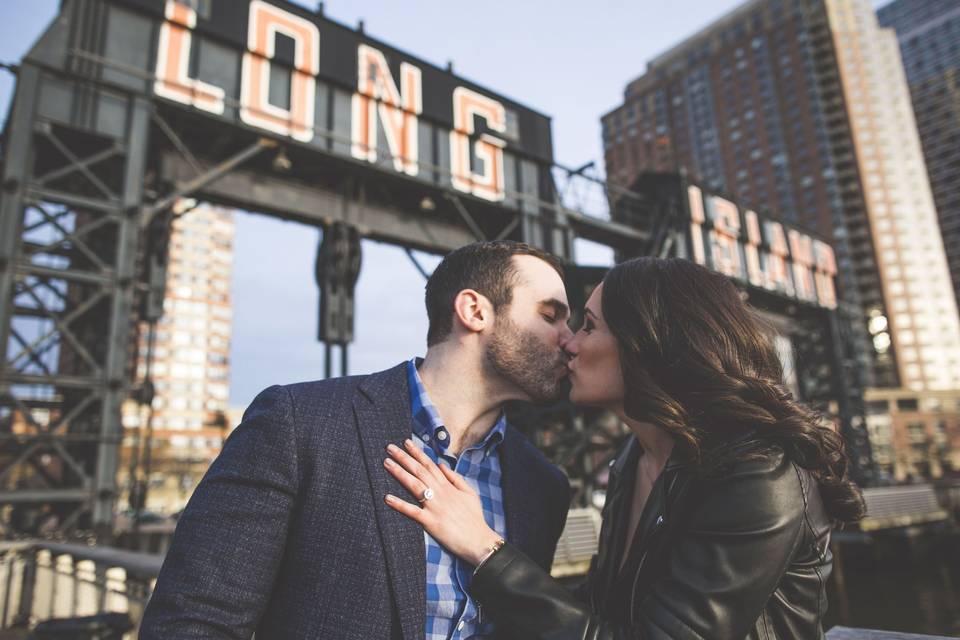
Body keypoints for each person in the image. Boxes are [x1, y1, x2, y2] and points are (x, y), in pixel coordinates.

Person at [383, 256, 866, 639]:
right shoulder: (634, 461)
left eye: (588, 325)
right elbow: (601, 609)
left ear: (647, 343)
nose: (568, 344)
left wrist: (484, 548)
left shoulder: (759, 473)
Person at [140, 241, 573, 639]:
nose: (570, 341)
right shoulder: (300, 424)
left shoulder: (543, 486)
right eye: (550, 316)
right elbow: (193, 622)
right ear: (474, 311)